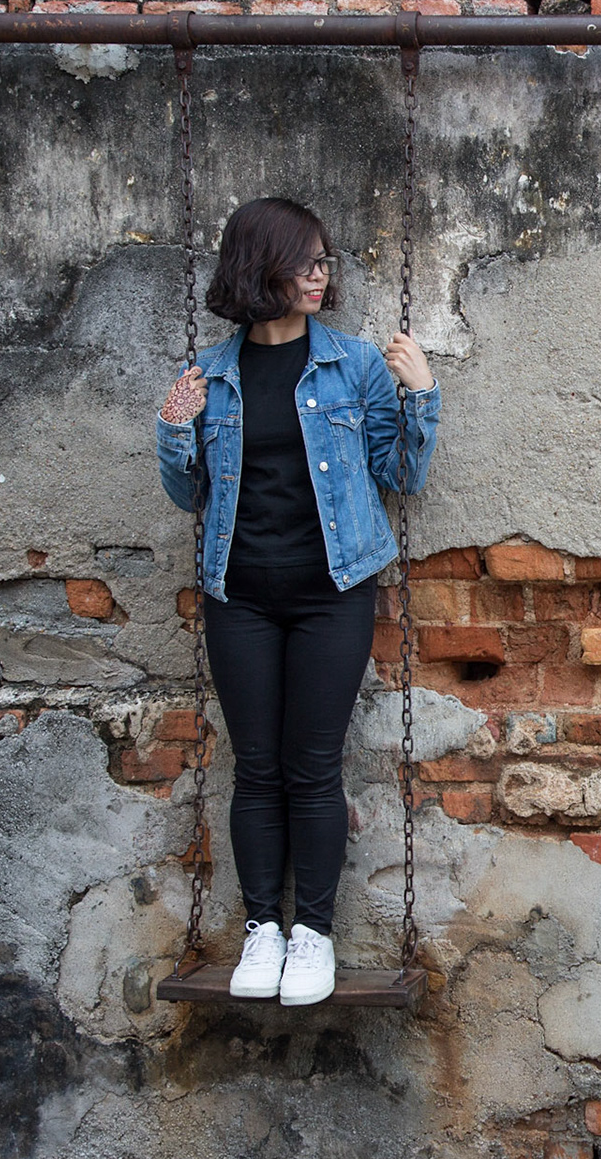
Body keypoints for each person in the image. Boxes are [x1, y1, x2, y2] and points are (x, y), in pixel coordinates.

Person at [156, 197, 440, 1005]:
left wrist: (419, 394)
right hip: (238, 595)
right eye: (304, 262)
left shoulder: (354, 365)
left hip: (331, 593)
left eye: (324, 262)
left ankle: (312, 934)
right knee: (256, 769)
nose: (320, 276)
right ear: (261, 268)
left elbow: (401, 473)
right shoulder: (212, 374)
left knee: (313, 767)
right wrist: (175, 430)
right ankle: (263, 931)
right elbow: (187, 494)